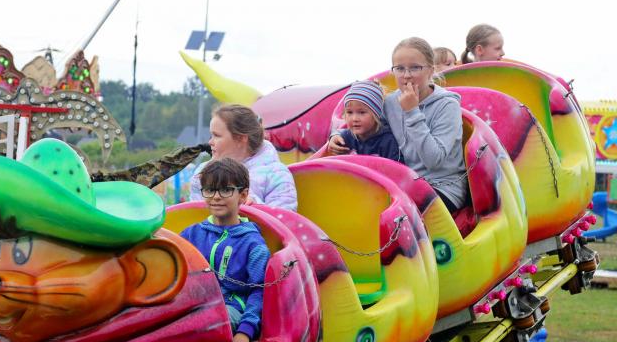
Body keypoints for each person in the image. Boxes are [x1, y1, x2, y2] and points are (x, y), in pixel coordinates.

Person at [329, 37, 467, 212]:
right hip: (401, 184)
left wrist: (412, 111)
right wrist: (336, 135)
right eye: (400, 68)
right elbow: (367, 125)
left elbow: (434, 161)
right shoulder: (391, 102)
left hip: (442, 188)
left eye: (415, 67)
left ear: (430, 70)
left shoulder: (447, 106)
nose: (406, 75)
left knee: (386, 211)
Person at [181, 159, 271, 342]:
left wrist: (245, 332)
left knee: (205, 322)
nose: (216, 197)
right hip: (193, 304)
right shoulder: (191, 234)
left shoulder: (253, 245)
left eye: (225, 190)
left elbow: (258, 292)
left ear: (243, 195)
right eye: (210, 190)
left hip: (231, 309)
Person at [190, 104, 297, 211]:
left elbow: (284, 217)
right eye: (211, 135)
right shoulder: (203, 173)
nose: (210, 142)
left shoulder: (276, 174)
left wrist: (255, 206)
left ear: (241, 138)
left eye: (217, 135)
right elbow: (195, 215)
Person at [335, 82, 402, 161]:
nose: (354, 118)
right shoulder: (346, 137)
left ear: (376, 115)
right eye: (349, 112)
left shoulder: (388, 141)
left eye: (362, 112)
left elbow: (397, 167)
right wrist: (333, 138)